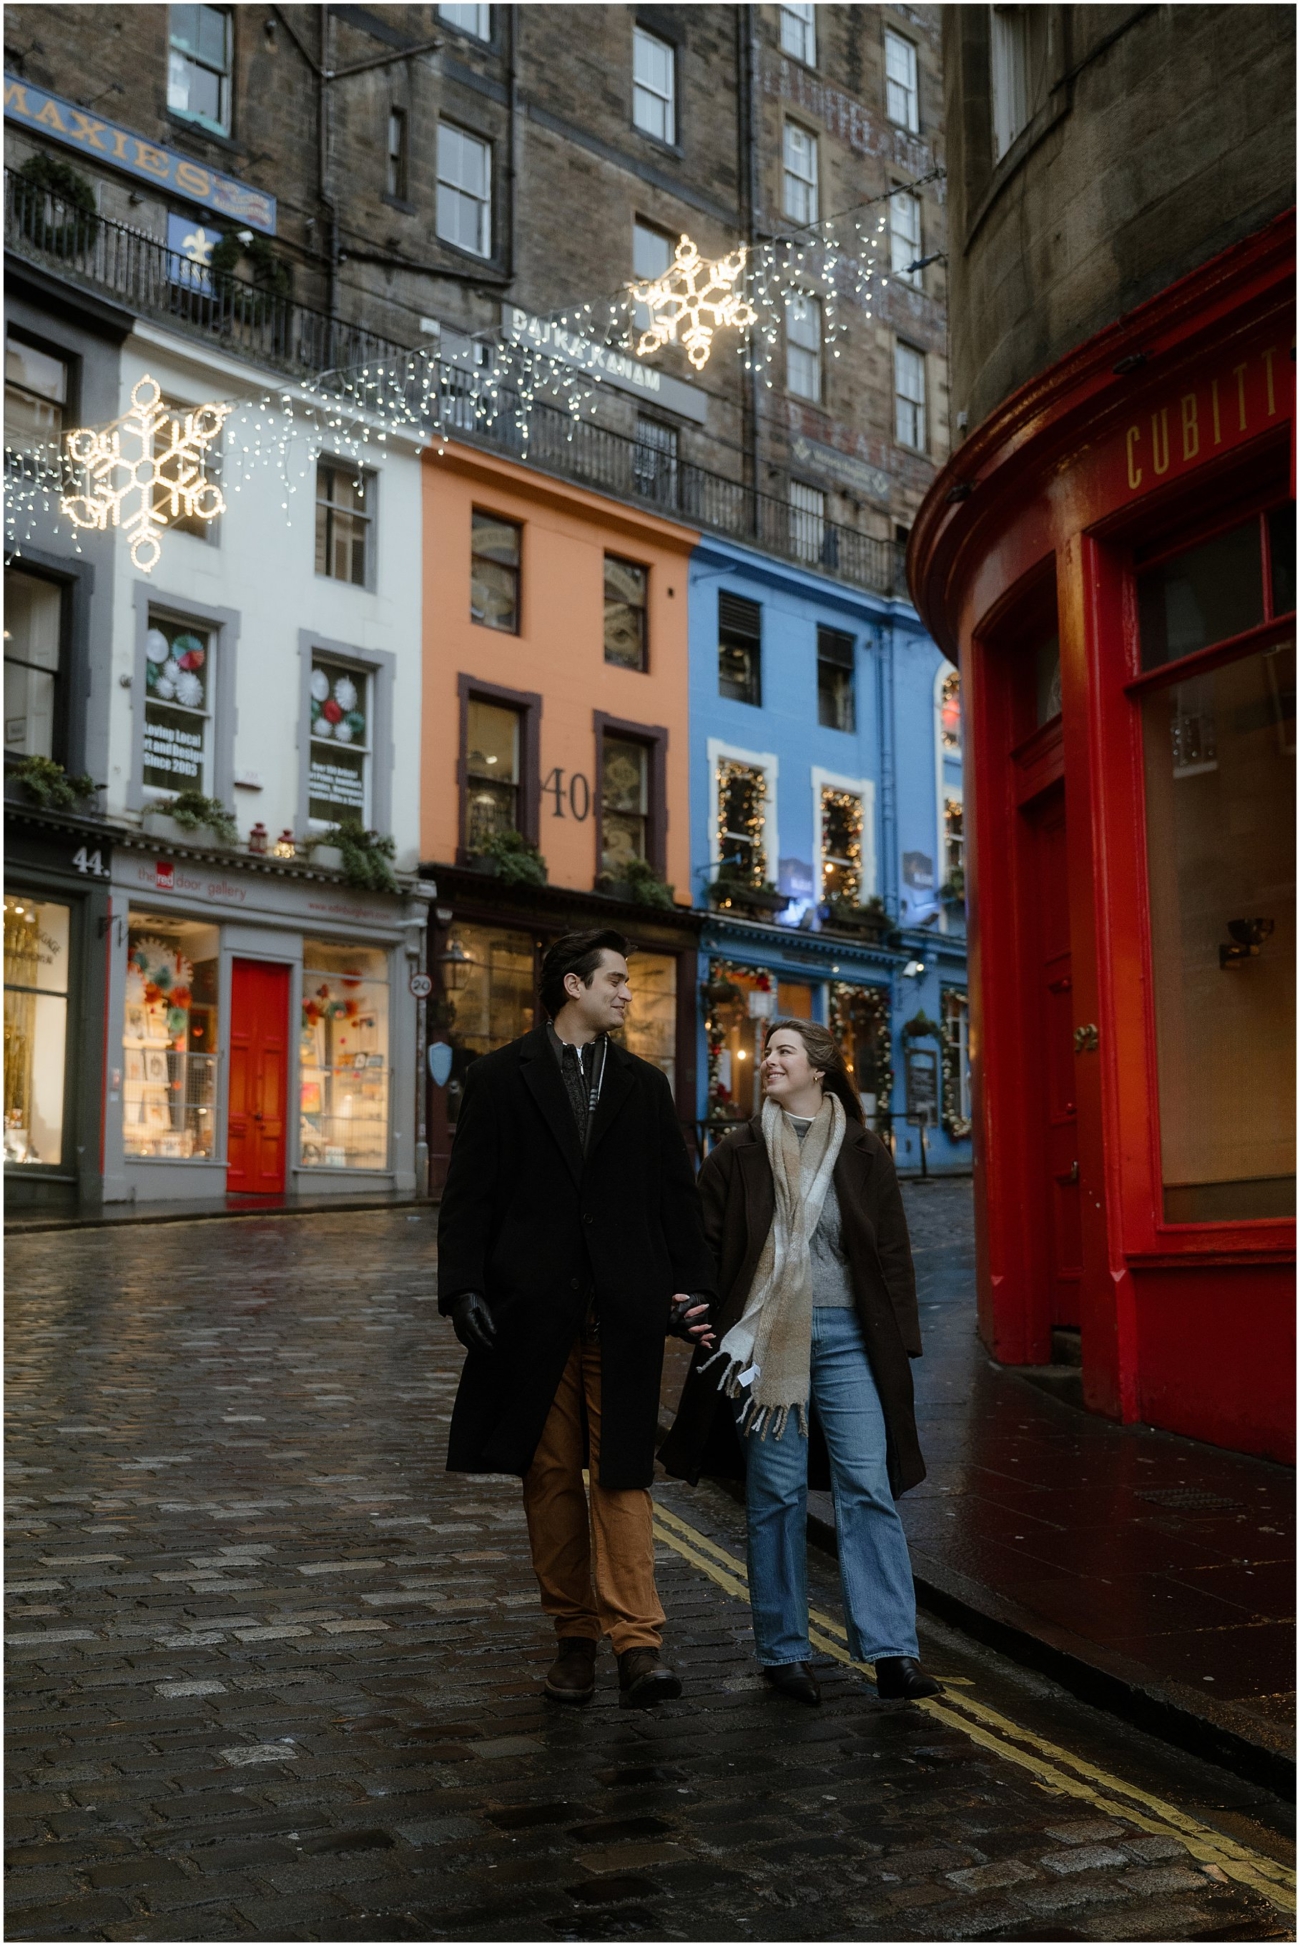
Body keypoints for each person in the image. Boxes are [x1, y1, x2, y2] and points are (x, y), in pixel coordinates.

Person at [437, 928, 716, 1709]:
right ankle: (573, 1639)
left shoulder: (644, 1084)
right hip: (532, 1315)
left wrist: (690, 1289)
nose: (629, 992)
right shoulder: (498, 1079)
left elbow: (675, 1200)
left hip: (623, 1312)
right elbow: (470, 1198)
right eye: (617, 980)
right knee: (551, 1476)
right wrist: (462, 1289)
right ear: (572, 986)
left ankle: (638, 1644)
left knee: (623, 1476)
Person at [660, 1018, 940, 1707]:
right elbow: (703, 1245)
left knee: (867, 1487)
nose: (770, 1061)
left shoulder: (865, 1150)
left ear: (819, 1067)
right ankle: (783, 1651)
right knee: (777, 1496)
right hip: (767, 1345)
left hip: (849, 1339)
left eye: (784, 1051)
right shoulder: (738, 1151)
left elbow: (893, 1253)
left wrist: (898, 1341)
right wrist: (691, 1307)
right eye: (769, 1053)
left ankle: (893, 1651)